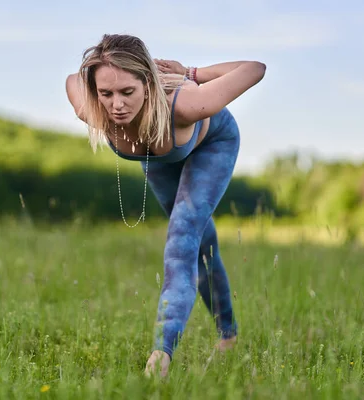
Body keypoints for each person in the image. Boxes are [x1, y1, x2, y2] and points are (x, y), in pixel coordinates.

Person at [65, 33, 266, 378]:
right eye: (106, 93)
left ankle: (161, 354)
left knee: (182, 238)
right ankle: (228, 335)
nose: (116, 105)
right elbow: (72, 80)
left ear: (148, 83)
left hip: (212, 145)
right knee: (201, 243)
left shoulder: (189, 104)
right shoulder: (93, 110)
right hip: (157, 158)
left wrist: (193, 72)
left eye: (128, 92)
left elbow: (255, 68)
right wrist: (97, 80)